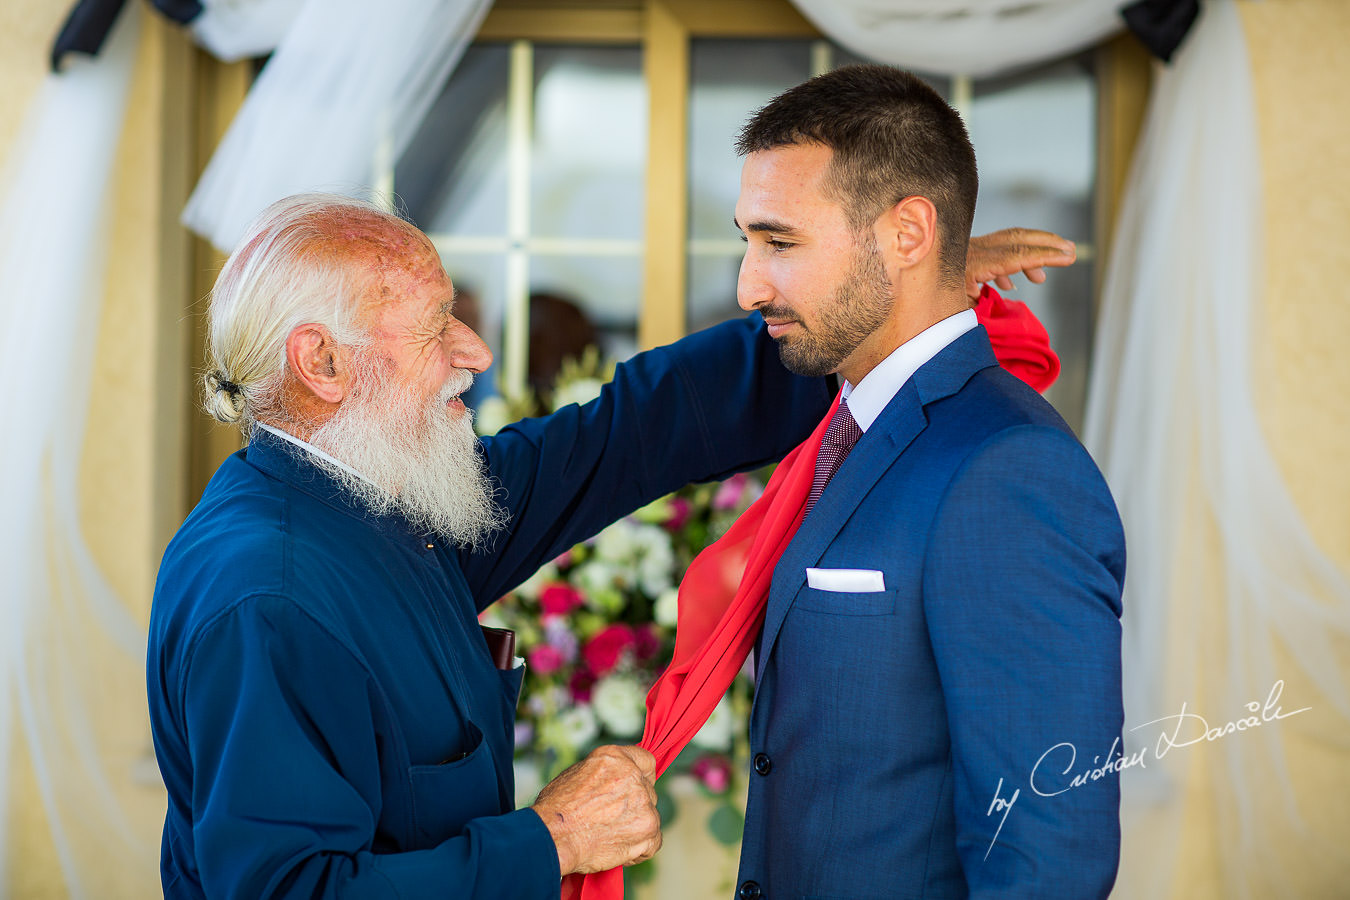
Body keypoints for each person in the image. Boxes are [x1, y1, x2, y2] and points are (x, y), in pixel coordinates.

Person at [147, 191, 1071, 899]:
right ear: (323, 363)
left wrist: (887, 299)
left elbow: (629, 433)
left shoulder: (377, 497)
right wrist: (550, 840)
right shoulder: (267, 596)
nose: (475, 351)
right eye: (438, 325)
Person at [722, 65, 1126, 899]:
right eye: (747, 241)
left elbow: (1045, 857)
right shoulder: (844, 424)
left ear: (909, 234)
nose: (747, 285)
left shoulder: (1010, 471)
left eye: (780, 242)